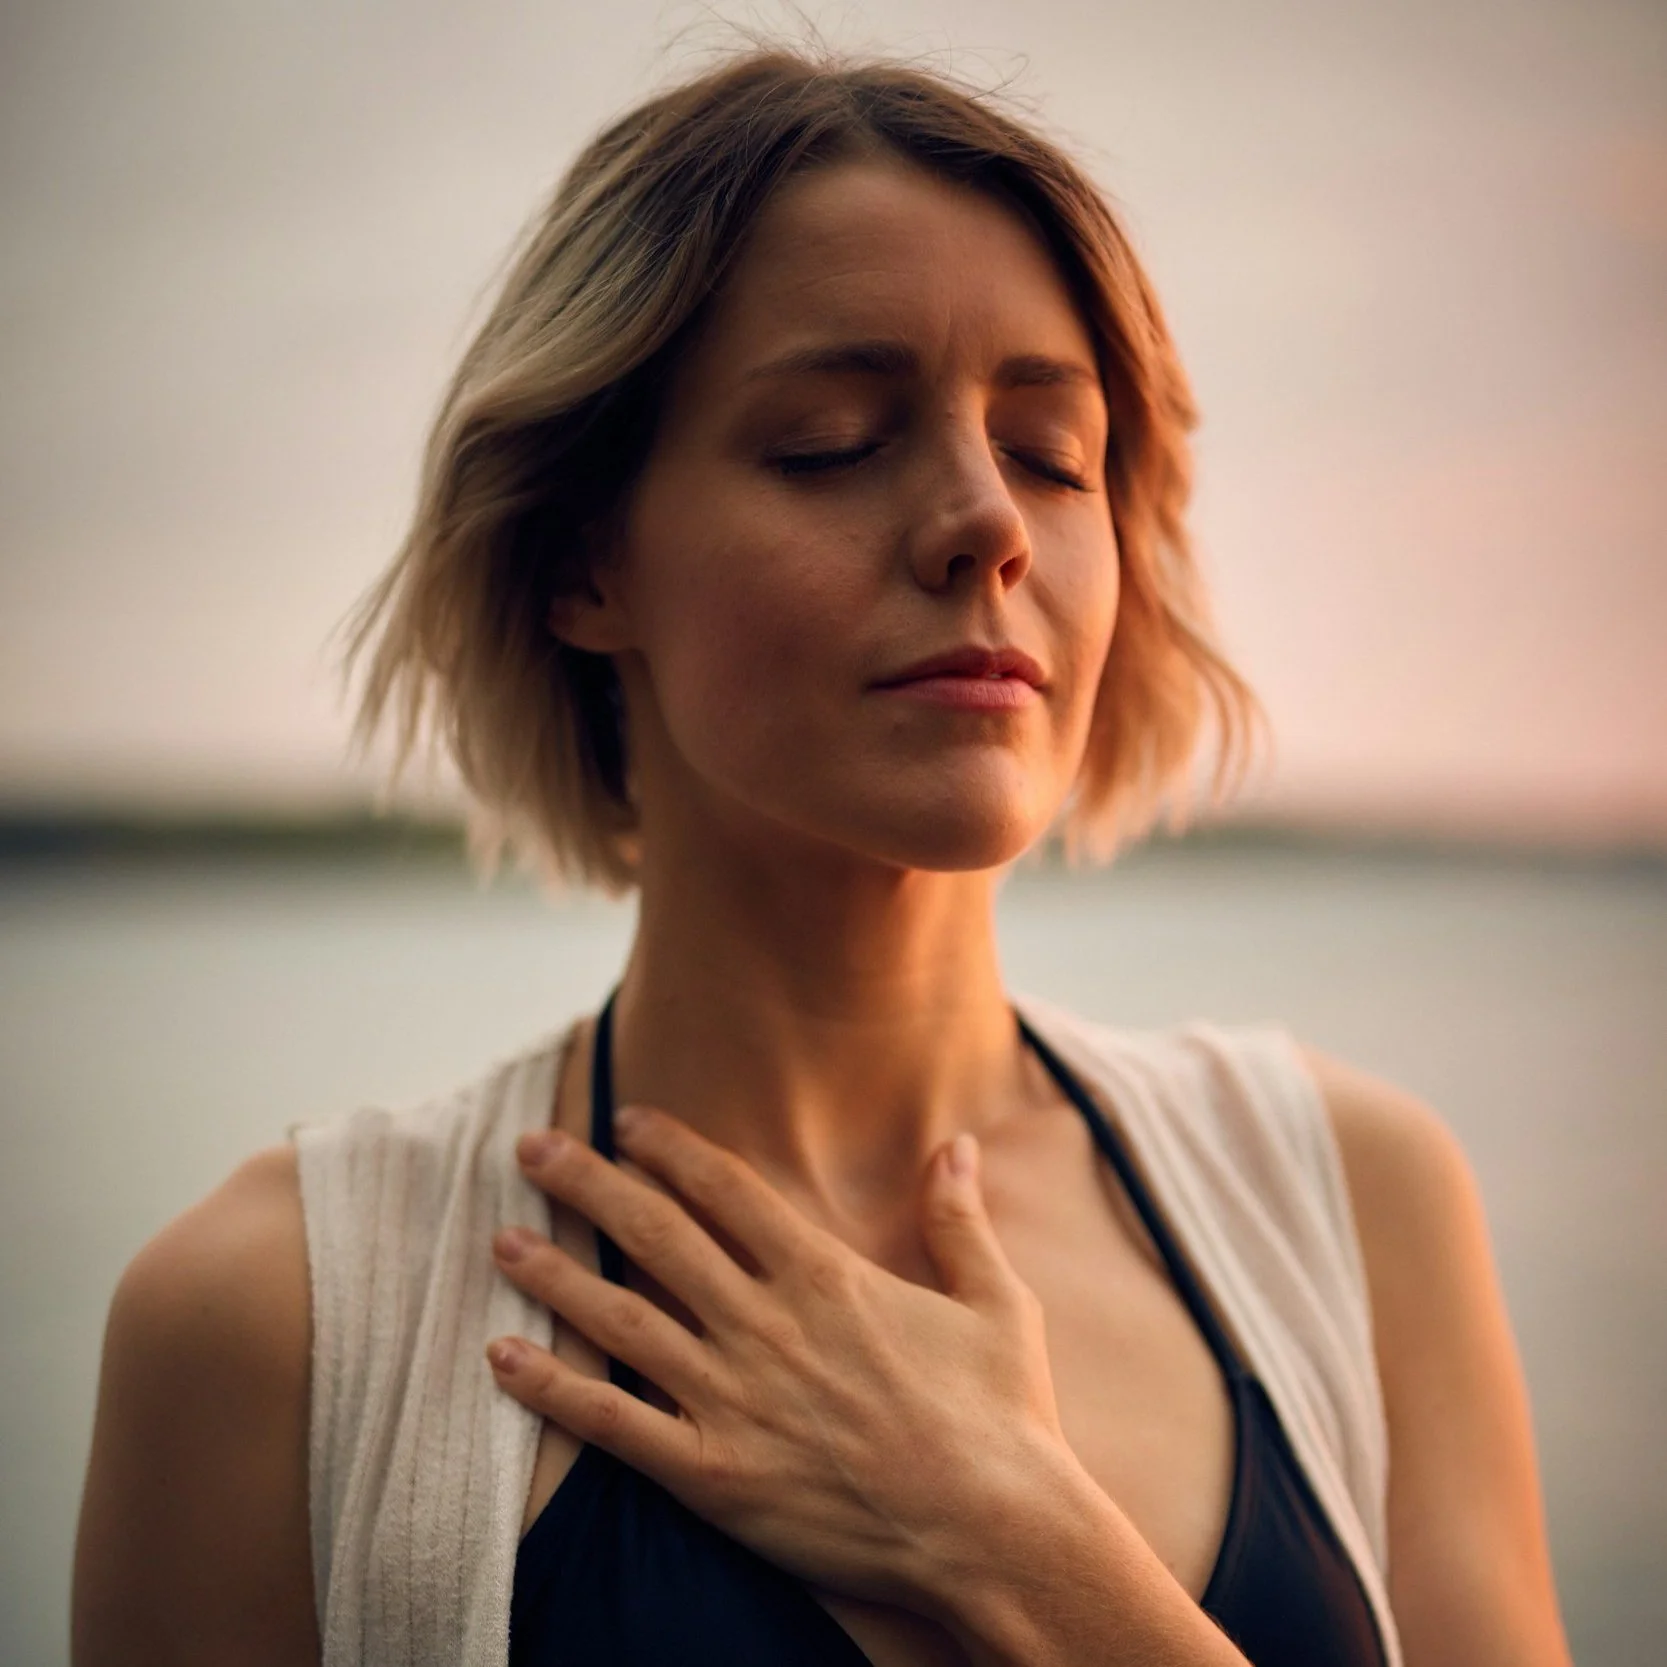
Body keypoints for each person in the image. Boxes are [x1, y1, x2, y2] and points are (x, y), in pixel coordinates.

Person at [72, 44, 1574, 1667]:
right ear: (587, 562)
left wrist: (1017, 1540)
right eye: (832, 440)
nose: (985, 522)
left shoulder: (1353, 1204)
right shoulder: (274, 1327)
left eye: (1053, 455)